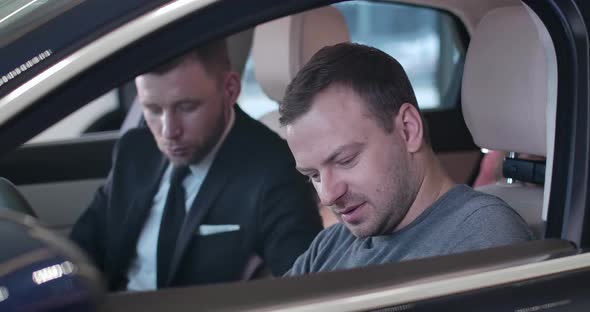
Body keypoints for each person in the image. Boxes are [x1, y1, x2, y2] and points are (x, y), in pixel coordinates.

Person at [70, 40, 322, 291]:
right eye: (153, 109)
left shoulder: (275, 170)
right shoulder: (134, 151)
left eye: (187, 107)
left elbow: (303, 289)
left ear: (230, 90)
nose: (169, 131)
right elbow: (80, 250)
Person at [279, 43, 533, 276]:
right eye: (313, 175)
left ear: (408, 130)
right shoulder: (329, 246)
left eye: (346, 160)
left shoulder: (482, 238)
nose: (328, 196)